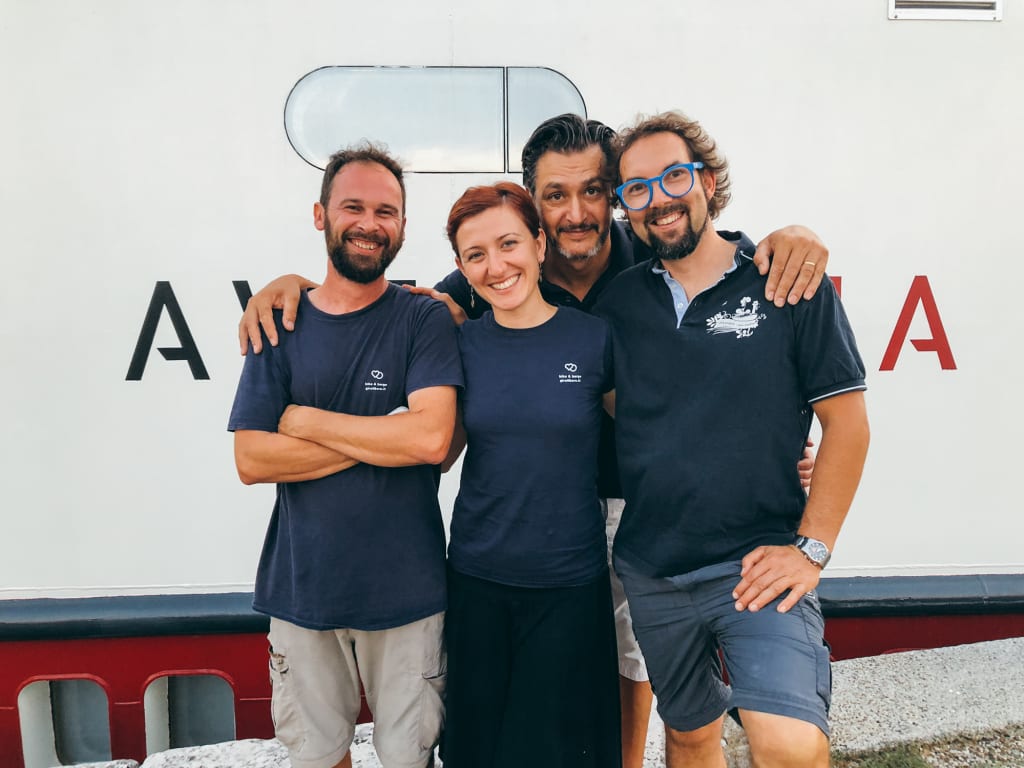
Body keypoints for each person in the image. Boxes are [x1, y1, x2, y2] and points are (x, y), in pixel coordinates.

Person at [237, 113, 827, 768]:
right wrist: (293, 286)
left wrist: (766, 452)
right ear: (536, 214)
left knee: (627, 678)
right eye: (554, 195)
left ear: (611, 195)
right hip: (502, 551)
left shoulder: (651, 261)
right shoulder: (476, 290)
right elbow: (381, 301)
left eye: (592, 191)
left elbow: (714, 343)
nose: (576, 212)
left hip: (641, 512)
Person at [594, 111, 870, 768]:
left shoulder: (786, 281)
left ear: (708, 181)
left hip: (754, 567)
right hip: (653, 571)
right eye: (636, 188)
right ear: (625, 207)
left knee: (790, 748)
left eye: (673, 176)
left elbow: (848, 425)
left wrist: (812, 549)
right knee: (689, 735)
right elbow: (619, 408)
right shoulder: (619, 305)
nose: (657, 198)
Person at [227, 143, 463, 768]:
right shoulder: (279, 318)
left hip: (408, 594)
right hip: (302, 592)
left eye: (386, 210)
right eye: (352, 206)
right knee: (317, 758)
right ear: (320, 214)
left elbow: (430, 441)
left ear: (403, 226)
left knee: (408, 758)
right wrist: (380, 436)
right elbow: (252, 458)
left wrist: (303, 422)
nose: (369, 222)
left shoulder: (422, 319)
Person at [440, 181, 619, 767]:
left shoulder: (594, 340)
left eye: (509, 243)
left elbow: (658, 433)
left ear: (540, 245)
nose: (496, 266)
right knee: (476, 751)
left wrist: (778, 458)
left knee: (555, 752)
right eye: (475, 255)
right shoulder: (460, 344)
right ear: (462, 269)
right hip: (476, 581)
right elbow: (438, 449)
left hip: (569, 586)